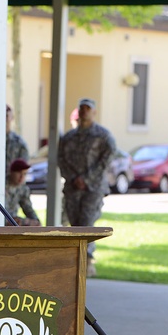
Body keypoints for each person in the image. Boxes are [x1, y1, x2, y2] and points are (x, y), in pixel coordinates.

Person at [57, 97, 116, 276]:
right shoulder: (69, 137)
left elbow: (107, 159)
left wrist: (87, 179)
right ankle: (75, 261)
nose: (84, 111)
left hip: (93, 188)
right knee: (75, 224)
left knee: (87, 223)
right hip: (73, 187)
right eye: (81, 108)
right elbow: (61, 159)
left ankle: (88, 262)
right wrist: (74, 178)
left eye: (87, 108)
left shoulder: (103, 135)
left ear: (94, 112)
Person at [5, 158, 40, 226]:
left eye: (24, 174)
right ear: (11, 172)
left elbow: (28, 209)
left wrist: (37, 222)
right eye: (19, 173)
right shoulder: (2, 185)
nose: (21, 177)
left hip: (15, 221)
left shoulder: (23, 189)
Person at [6, 104, 29, 169]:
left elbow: (22, 169)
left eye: (6, 116)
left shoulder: (19, 143)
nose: (4, 119)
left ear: (12, 118)